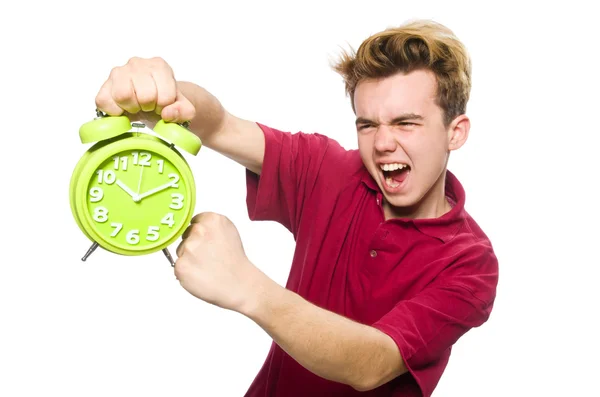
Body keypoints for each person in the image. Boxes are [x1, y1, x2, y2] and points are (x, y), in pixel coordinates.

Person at [95, 19, 499, 397]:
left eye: (405, 123)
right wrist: (162, 92)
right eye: (367, 124)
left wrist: (246, 286)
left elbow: (371, 363)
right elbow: (219, 126)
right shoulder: (331, 169)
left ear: (455, 132)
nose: (381, 144)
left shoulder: (469, 264)